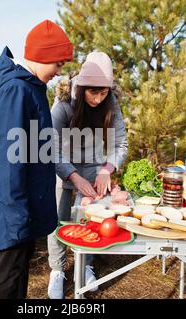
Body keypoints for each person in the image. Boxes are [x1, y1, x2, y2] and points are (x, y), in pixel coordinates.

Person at [0, 19, 73, 299]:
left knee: (18, 275)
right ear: (43, 56)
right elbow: (8, 162)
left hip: (25, 207)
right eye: (57, 64)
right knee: (8, 280)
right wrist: (18, 214)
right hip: (14, 210)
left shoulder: (31, 88)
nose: (59, 72)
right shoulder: (17, 91)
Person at [46, 52, 128, 299]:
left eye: (104, 93)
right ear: (81, 88)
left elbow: (120, 143)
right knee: (58, 220)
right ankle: (57, 270)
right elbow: (51, 147)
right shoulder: (62, 105)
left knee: (91, 217)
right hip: (63, 168)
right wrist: (72, 176)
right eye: (94, 93)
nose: (98, 98)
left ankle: (86, 265)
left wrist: (107, 168)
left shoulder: (110, 101)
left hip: (94, 166)